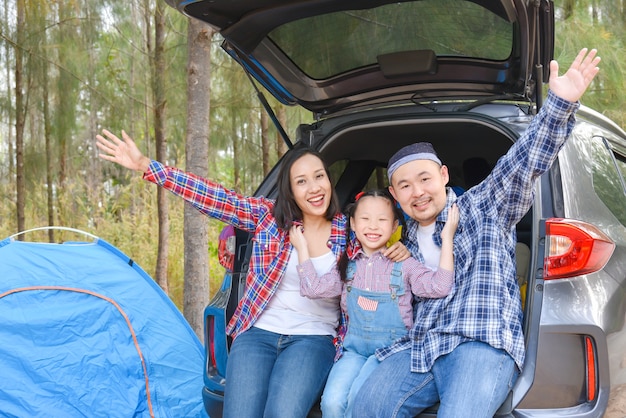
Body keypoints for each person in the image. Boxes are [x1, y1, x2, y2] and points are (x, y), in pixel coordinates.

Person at [352, 47, 602, 418]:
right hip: (420, 347)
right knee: (366, 408)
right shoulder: (398, 242)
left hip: (480, 343)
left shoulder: (482, 206)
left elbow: (521, 164)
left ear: (444, 176)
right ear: (394, 194)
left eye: (424, 179)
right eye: (404, 186)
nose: (417, 192)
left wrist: (559, 104)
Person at [94, 136, 409, 418]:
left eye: (319, 177)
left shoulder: (350, 230)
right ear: (290, 190)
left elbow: (386, 249)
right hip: (257, 333)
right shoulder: (269, 217)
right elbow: (216, 197)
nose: (314, 188)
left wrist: (400, 251)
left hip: (314, 339)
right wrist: (147, 166)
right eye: (302, 182)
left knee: (282, 413)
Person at [291, 189, 459, 418]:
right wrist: (302, 249)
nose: (373, 226)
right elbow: (313, 288)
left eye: (382, 220)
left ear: (393, 227)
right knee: (331, 403)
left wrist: (447, 238)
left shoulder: (404, 264)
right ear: (352, 223)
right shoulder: (346, 265)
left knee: (359, 402)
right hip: (354, 352)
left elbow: (440, 286)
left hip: (390, 353)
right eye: (365, 219)